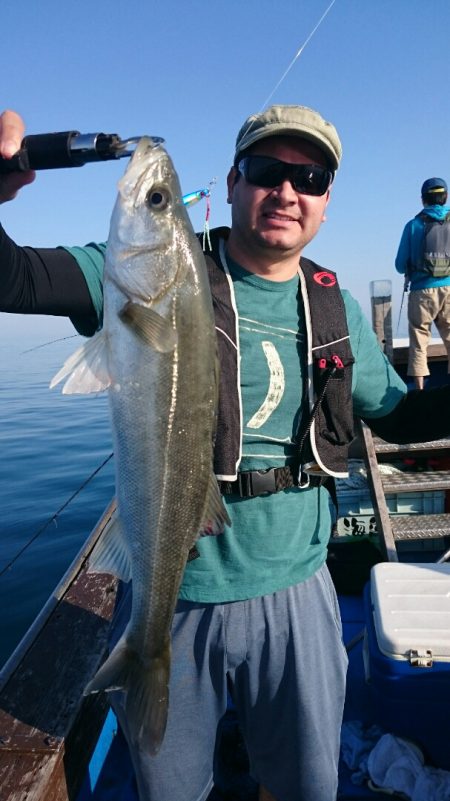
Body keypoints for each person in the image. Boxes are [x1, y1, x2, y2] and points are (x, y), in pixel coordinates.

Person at [2, 105, 450, 801]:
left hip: (300, 590)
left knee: (306, 785)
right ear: (235, 182)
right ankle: (145, 657)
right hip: (178, 597)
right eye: (268, 171)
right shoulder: (140, 270)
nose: (287, 191)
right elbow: (16, 278)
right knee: (171, 787)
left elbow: (399, 417)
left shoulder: (333, 305)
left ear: (326, 201)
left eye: (310, 178)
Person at [395, 177, 450, 389]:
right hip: (449, 288)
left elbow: (400, 265)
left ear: (423, 199)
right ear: (445, 197)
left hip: (421, 292)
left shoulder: (413, 225)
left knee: (419, 342)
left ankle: (419, 391)